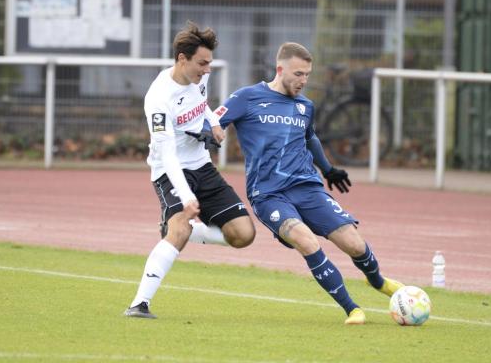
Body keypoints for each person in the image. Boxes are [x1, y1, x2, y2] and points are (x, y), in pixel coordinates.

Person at [216, 42, 403, 325]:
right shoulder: (247, 97)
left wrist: (328, 169)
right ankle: (352, 309)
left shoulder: (305, 106)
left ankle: (377, 281)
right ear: (280, 70)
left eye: (307, 75)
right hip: (268, 194)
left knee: (354, 244)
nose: (303, 81)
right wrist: (210, 133)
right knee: (307, 241)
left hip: (308, 188)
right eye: (298, 74)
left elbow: (310, 137)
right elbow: (215, 119)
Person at [124, 21, 256, 319]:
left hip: (202, 166)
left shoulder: (197, 78)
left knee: (243, 234)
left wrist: (214, 123)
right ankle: (139, 304)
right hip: (169, 171)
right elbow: (167, 152)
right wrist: (186, 196)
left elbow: (201, 103)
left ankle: (185, 230)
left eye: (209, 63)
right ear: (182, 59)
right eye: (202, 63)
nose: (207, 69)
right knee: (181, 224)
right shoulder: (158, 99)